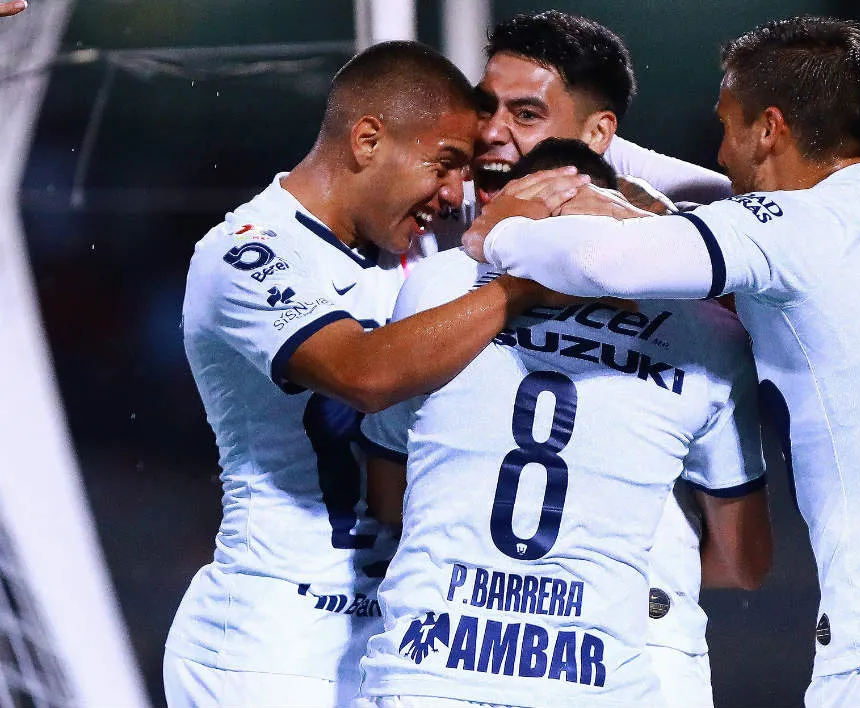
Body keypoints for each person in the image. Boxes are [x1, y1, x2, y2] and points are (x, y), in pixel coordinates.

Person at [462, 16, 860, 707]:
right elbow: (737, 226)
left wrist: (499, 232)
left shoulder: (784, 233)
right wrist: (610, 181)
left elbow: (603, 259)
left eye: (729, 125)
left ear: (769, 129)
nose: (721, 150)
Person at [164, 40, 588, 707]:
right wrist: (523, 286)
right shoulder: (249, 251)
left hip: (395, 647)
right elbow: (363, 373)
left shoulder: (420, 258)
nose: (454, 195)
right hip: (270, 652)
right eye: (444, 165)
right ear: (367, 140)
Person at [357, 138, 769, 708]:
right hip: (597, 681)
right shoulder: (704, 330)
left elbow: (388, 500)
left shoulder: (435, 285)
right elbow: (745, 559)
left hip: (430, 675)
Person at [422, 13, 753, 706]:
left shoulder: (674, 232)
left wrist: (620, 571)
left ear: (602, 135)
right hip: (466, 636)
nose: (492, 132)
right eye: (487, 107)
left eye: (526, 112)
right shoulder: (435, 216)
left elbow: (737, 209)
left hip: (638, 632)